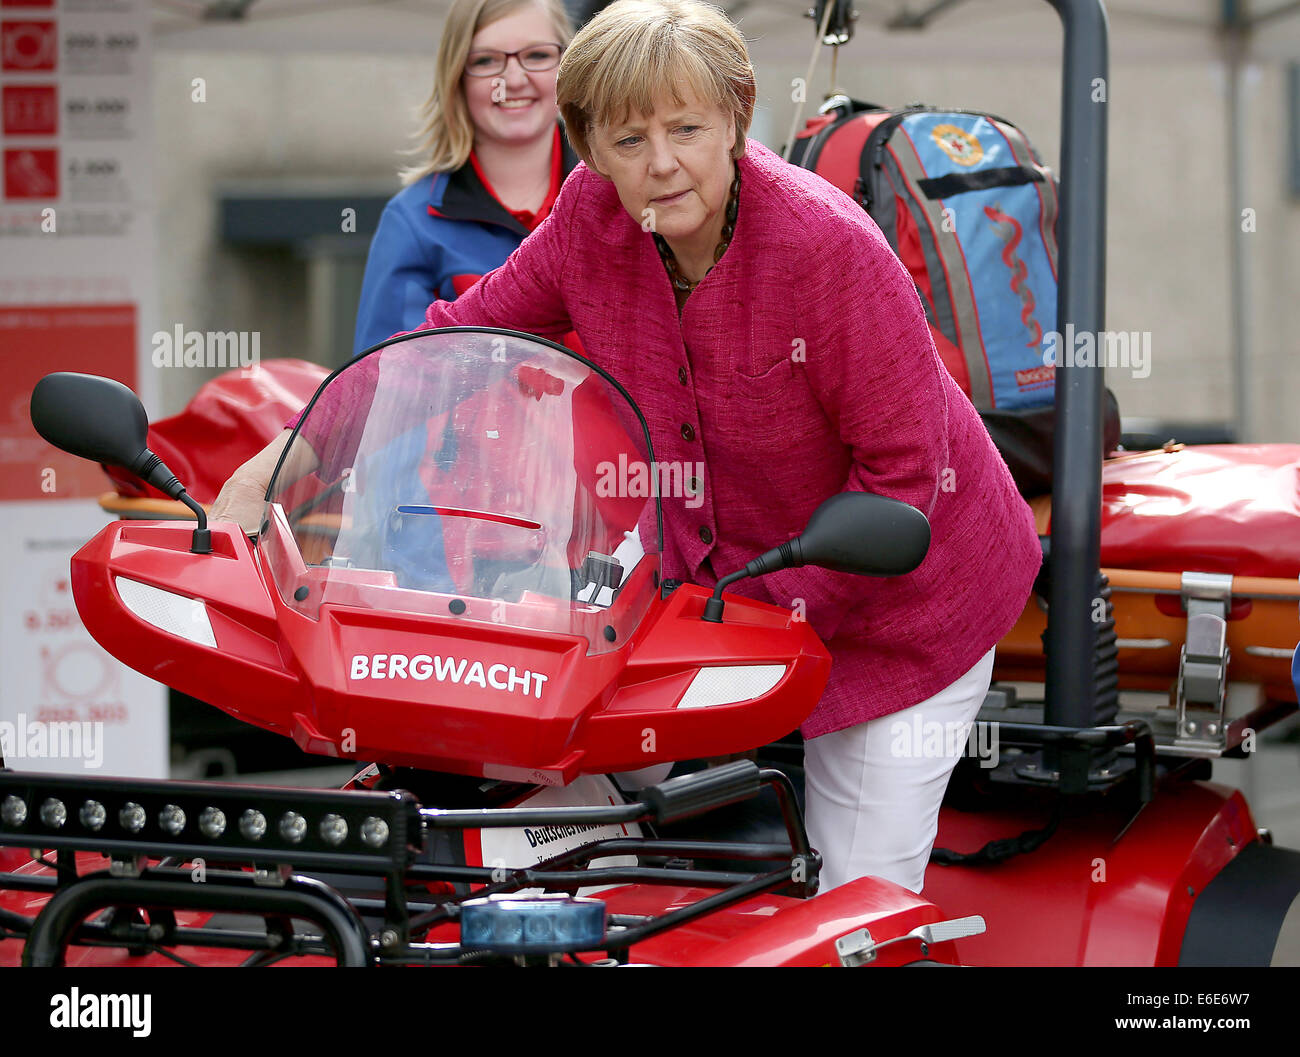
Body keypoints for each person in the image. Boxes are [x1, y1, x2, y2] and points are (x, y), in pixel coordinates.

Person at [212, 0, 1042, 896]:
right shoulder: (589, 220)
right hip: (713, 600)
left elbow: (905, 476)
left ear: (734, 118)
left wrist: (756, 624)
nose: (661, 164)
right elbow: (447, 339)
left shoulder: (829, 251)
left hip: (904, 610)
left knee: (854, 899)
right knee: (537, 803)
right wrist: (280, 462)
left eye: (687, 128)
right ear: (588, 147)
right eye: (628, 138)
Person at [353, 0, 581, 356]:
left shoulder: (621, 194)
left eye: (537, 56)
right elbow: (382, 384)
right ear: (456, 77)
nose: (514, 80)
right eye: (486, 61)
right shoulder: (413, 221)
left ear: (569, 68)